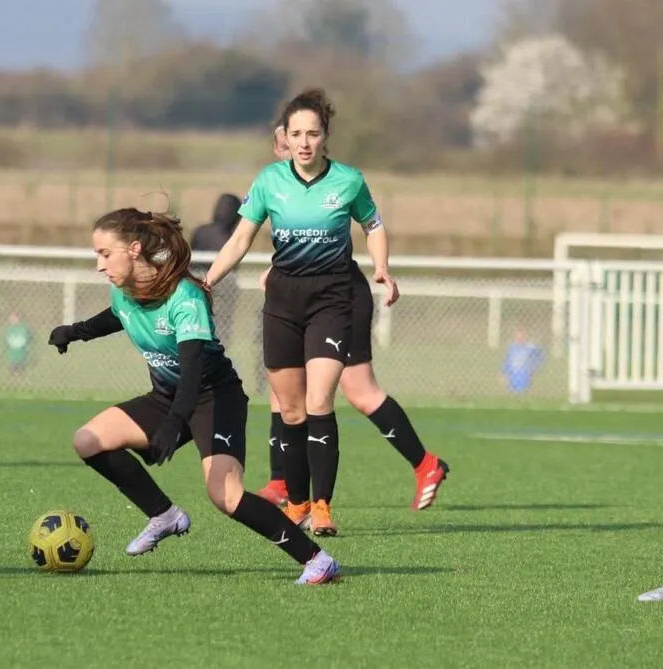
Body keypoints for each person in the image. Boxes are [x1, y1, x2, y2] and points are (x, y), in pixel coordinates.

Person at [47, 207, 340, 585]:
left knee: (226, 497)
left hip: (214, 398)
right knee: (88, 440)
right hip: (167, 396)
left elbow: (193, 371)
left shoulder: (185, 297)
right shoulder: (124, 292)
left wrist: (174, 423)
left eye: (105, 254)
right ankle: (164, 515)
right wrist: (74, 332)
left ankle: (317, 560)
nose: (99, 265)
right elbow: (116, 316)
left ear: (134, 249)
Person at [204, 89, 449, 538]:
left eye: (312, 134)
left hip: (333, 299)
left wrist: (382, 267)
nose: (304, 142)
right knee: (289, 408)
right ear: (286, 137)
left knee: (320, 402)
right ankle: (295, 501)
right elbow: (240, 239)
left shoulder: (348, 181)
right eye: (296, 134)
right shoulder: (269, 181)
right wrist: (208, 282)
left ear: (325, 136)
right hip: (283, 302)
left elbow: (373, 225)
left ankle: (321, 506)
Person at [191, 193, 242, 344]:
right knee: (220, 330)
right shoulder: (232, 239)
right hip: (216, 285)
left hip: (198, 284)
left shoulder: (201, 231)